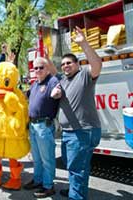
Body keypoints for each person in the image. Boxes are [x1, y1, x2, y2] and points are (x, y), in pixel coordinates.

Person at [57, 26, 102, 200]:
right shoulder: (63, 81)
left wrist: (84, 43)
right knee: (73, 166)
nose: (65, 66)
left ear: (77, 64)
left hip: (82, 131)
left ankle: (76, 196)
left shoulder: (84, 75)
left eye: (69, 63)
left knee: (78, 168)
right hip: (69, 133)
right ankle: (74, 191)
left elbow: (97, 65)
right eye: (63, 64)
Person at [23, 57, 61, 198]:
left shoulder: (52, 81)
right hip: (33, 125)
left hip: (44, 125)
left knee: (47, 158)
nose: (38, 70)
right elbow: (25, 96)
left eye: (41, 67)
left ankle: (48, 186)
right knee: (37, 158)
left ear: (47, 68)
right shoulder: (35, 84)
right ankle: (38, 180)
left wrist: (56, 93)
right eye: (35, 68)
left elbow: (58, 90)